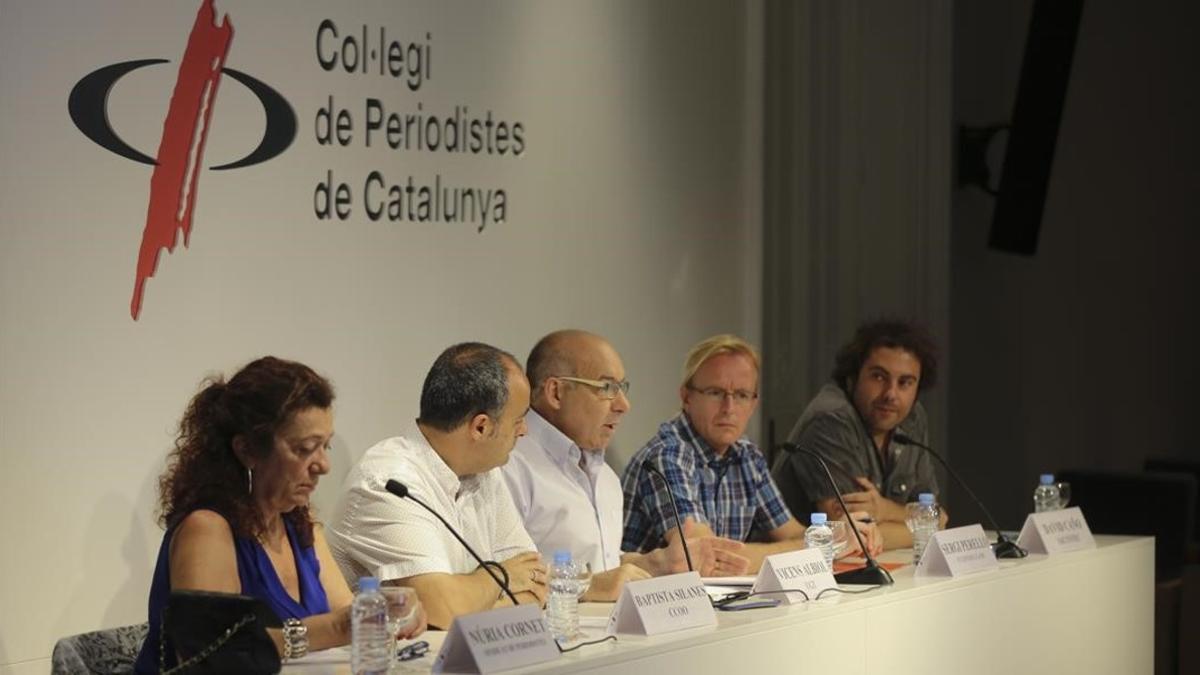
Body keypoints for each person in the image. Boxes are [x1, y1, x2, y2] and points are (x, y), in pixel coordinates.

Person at [134, 357, 425, 674]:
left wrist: (389, 612)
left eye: (325, 446)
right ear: (247, 450)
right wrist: (334, 629)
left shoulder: (300, 525)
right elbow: (214, 655)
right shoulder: (207, 529)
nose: (323, 466)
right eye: (305, 448)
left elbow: (349, 615)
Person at [502, 330, 750, 601]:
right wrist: (590, 586)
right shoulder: (508, 464)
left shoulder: (604, 477)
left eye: (622, 388)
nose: (624, 404)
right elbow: (502, 578)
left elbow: (602, 565)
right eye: (607, 388)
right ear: (556, 392)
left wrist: (658, 563)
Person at [328, 343, 545, 630]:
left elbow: (537, 582)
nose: (524, 430)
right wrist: (502, 576)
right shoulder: (388, 482)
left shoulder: (485, 473)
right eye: (518, 420)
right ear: (480, 427)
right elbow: (443, 610)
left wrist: (476, 601)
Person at [621, 335, 880, 573]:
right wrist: (820, 545)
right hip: (648, 612)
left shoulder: (747, 456)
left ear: (754, 403)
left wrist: (840, 534)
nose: (729, 408)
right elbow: (709, 560)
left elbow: (792, 534)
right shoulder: (667, 456)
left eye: (742, 395)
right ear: (686, 397)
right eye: (715, 393)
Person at [772, 319, 949, 549]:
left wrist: (884, 509)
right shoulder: (831, 419)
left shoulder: (913, 418)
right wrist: (920, 523)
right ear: (853, 376)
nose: (891, 394)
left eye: (905, 382)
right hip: (809, 572)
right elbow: (855, 535)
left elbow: (939, 518)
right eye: (878, 377)